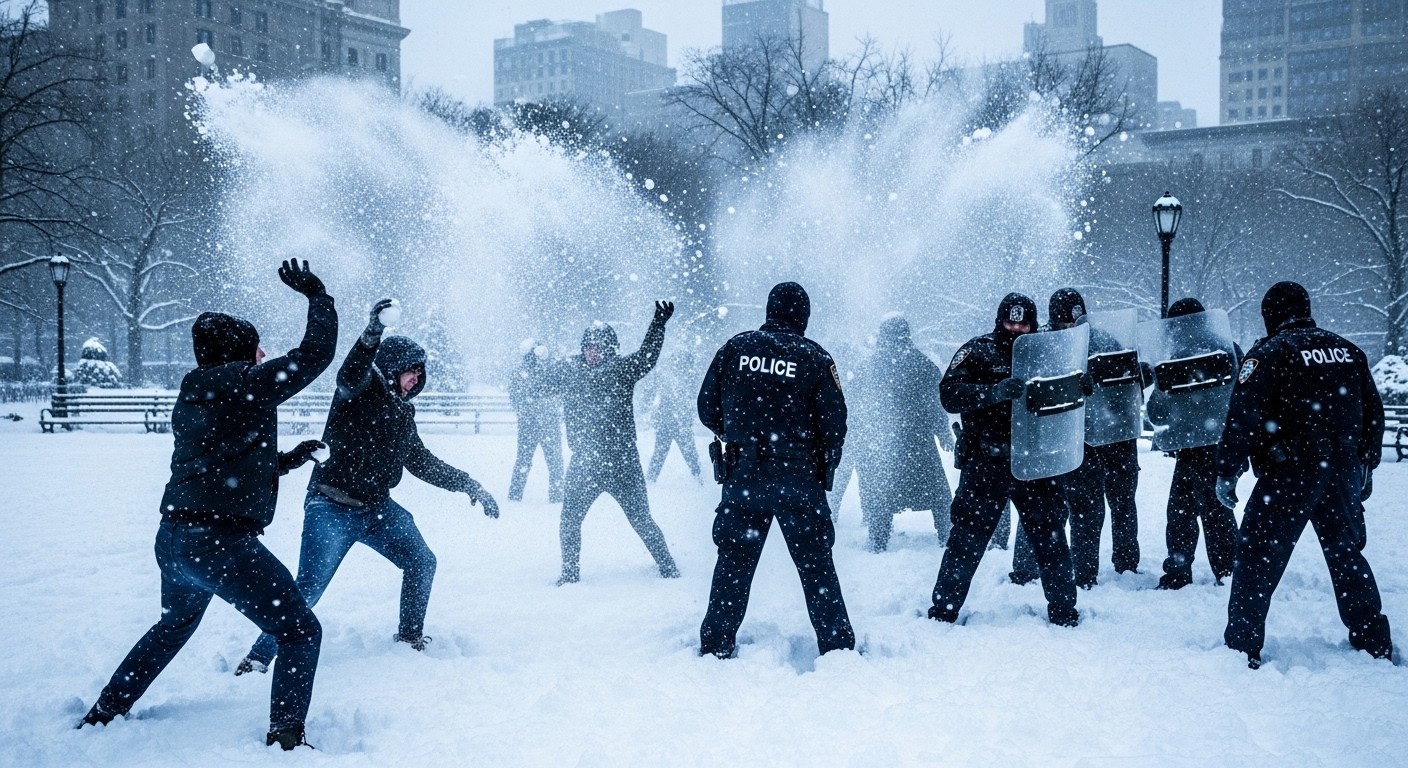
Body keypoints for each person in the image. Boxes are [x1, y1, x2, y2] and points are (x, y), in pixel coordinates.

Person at [78, 260, 337, 750]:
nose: (261, 354)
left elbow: (217, 461)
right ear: (237, 353)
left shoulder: (196, 392)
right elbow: (315, 356)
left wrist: (286, 460)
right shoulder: (244, 381)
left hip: (175, 539)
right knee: (300, 630)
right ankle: (285, 738)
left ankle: (106, 711)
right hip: (219, 544)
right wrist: (318, 296)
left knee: (173, 625)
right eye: (254, 347)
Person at [237, 298, 499, 672]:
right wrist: (373, 331)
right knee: (308, 589)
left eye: (420, 373)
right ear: (392, 367)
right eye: (411, 371)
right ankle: (257, 658)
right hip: (331, 507)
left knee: (422, 561)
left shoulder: (402, 410)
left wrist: (469, 484)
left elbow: (420, 461)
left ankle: (410, 637)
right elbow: (351, 370)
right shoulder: (357, 390)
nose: (416, 379)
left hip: (377, 509)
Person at [1218, 281, 1393, 668]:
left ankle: (1242, 644)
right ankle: (1372, 638)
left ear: (1270, 316)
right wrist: (1367, 463)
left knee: (1258, 556)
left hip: (1289, 473)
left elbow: (1242, 417)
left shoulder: (1269, 353)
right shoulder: (1348, 351)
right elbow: (1373, 413)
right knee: (1346, 554)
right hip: (1343, 469)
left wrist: (1227, 470)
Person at [698, 282, 855, 658]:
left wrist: (737, 435)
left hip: (744, 476)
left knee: (733, 566)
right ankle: (837, 650)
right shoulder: (816, 358)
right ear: (803, 316)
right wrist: (814, 456)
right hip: (799, 479)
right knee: (817, 569)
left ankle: (716, 646)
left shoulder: (736, 348)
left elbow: (707, 406)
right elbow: (836, 424)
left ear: (769, 310)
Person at [927, 293, 1080, 628]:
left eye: (1023, 322)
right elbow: (948, 394)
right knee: (967, 538)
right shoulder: (978, 350)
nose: (1016, 328)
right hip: (986, 461)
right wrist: (991, 392)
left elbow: (1068, 394)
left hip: (1035, 461)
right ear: (999, 321)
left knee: (1051, 536)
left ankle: (1065, 611)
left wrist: (1080, 385)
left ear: (1033, 323)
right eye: (1010, 321)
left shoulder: (1049, 351)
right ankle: (943, 610)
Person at [540, 303, 679, 584]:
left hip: (622, 463)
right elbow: (538, 385)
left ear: (611, 349)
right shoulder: (569, 370)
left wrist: (658, 325)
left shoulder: (621, 370)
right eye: (589, 346)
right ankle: (569, 574)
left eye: (600, 347)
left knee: (641, 520)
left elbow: (646, 358)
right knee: (569, 520)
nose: (593, 352)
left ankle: (669, 567)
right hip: (584, 462)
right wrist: (536, 360)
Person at [1011, 288, 1140, 588]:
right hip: (1064, 438)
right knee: (1045, 507)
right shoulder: (1042, 344)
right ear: (1053, 320)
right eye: (1064, 322)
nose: (1070, 327)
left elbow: (1124, 391)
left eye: (1075, 320)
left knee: (1094, 508)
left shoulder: (1102, 340)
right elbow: (1031, 395)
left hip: (1105, 438)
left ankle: (1095, 571)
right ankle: (1028, 570)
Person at [1148, 298, 1239, 590]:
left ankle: (1181, 573)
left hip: (1193, 447)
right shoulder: (1227, 349)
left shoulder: (1176, 355)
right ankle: (1228, 572)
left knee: (1183, 515)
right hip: (1217, 446)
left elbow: (1157, 412)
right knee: (1213, 513)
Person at [851, 315, 954, 551]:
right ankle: (945, 537)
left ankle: (879, 541)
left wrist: (943, 431)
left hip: (896, 443)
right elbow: (935, 405)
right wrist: (942, 432)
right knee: (935, 495)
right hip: (908, 442)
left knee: (892, 495)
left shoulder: (875, 365)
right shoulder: (919, 364)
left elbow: (934, 404)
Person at [508, 340, 564, 503]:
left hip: (540, 423)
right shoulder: (526, 372)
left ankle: (517, 496)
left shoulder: (548, 370)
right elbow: (515, 396)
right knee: (545, 462)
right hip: (537, 423)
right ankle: (555, 497)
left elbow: (516, 397)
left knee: (548, 462)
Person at [644, 349, 703, 483]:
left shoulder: (672, 378)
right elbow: (690, 401)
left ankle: (651, 479)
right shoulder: (684, 379)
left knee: (662, 453)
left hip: (671, 422)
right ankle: (698, 477)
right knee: (687, 453)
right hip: (676, 423)